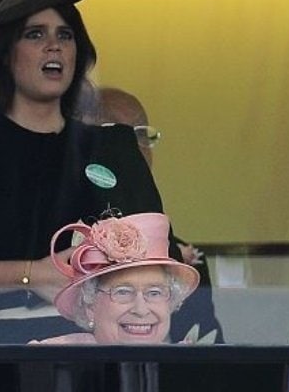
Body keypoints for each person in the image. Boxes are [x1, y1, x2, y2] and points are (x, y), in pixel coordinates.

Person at [0, 0, 165, 343]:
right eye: (35, 34)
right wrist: (35, 273)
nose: (54, 46)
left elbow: (161, 253)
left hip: (104, 346)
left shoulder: (111, 146)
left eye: (65, 36)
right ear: (5, 54)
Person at [74, 85, 224, 342]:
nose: (132, 147)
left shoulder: (182, 257)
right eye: (115, 134)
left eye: (141, 134)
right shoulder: (68, 248)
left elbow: (205, 346)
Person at [29, 212, 216, 344]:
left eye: (154, 292)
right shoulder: (51, 361)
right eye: (123, 292)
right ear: (90, 305)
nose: (141, 310)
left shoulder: (187, 367)